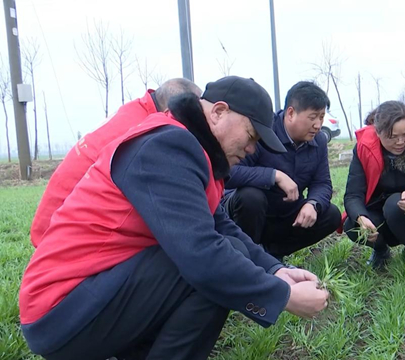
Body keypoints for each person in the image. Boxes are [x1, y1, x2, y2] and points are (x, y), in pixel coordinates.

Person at [19, 76, 330, 360]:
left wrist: (277, 270)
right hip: (60, 311)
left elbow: (223, 227)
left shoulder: (192, 151)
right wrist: (284, 296)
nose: (250, 150)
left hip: (95, 295)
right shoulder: (168, 146)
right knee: (209, 270)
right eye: (250, 136)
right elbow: (202, 254)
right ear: (218, 112)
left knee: (220, 259)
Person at [30, 78, 202, 248]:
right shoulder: (140, 130)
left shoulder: (135, 111)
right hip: (62, 234)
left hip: (51, 221)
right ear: (175, 109)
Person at [223, 81, 341, 261]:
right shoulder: (264, 130)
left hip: (285, 213)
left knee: (331, 215)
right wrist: (273, 175)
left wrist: (313, 203)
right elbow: (229, 173)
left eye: (322, 117)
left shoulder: (319, 142)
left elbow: (322, 182)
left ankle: (271, 255)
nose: (318, 125)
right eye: (313, 117)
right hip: (248, 212)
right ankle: (246, 257)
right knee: (251, 197)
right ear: (291, 113)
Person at [339, 101, 405, 273]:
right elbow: (352, 195)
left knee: (395, 204)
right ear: (377, 132)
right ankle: (381, 250)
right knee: (351, 225)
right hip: (377, 215)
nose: (400, 142)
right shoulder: (365, 148)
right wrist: (361, 218)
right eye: (392, 137)